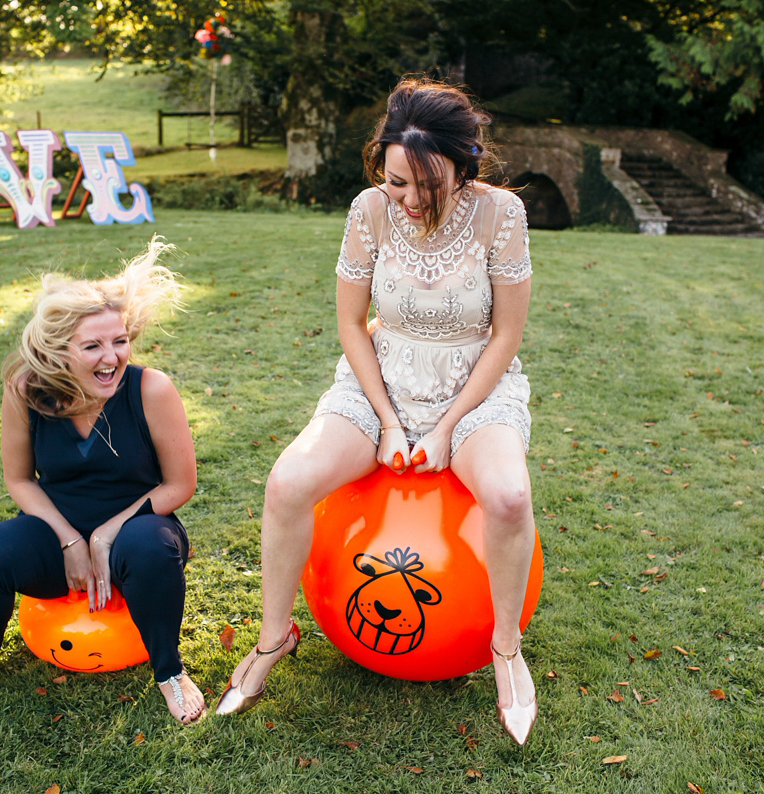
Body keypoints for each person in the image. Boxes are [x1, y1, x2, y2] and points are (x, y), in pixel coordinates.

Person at [216, 78, 539, 744]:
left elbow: (506, 336)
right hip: (378, 382)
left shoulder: (502, 215)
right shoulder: (368, 210)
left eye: (430, 184)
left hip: (473, 388)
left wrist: (448, 427)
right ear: (380, 164)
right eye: (398, 183)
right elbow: (350, 321)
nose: (412, 200)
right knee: (287, 482)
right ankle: (274, 639)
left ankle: (506, 649)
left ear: (463, 166)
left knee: (508, 497)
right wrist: (388, 420)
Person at [0, 237, 205, 725]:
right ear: (58, 349)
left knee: (151, 550)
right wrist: (70, 538)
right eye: (91, 346)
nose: (111, 357)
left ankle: (169, 672)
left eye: (119, 340)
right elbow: (20, 480)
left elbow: (179, 486)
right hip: (56, 532)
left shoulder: (151, 388)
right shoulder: (25, 390)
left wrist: (108, 532)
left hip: (139, 530)